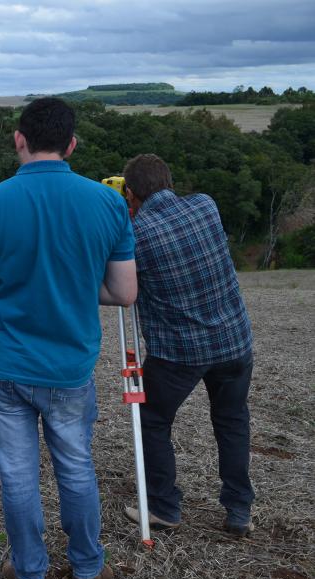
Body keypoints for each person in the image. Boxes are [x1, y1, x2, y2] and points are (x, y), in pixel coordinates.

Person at [0, 97, 137, 579]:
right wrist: (76, 284)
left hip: (5, 366)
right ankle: (87, 569)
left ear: (19, 139)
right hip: (68, 368)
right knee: (75, 468)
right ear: (72, 144)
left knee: (17, 474)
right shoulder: (108, 203)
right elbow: (123, 292)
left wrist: (8, 284)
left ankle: (29, 576)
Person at [121, 154, 255, 537]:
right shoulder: (205, 206)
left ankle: (164, 507)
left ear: (130, 192)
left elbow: (123, 285)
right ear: (169, 181)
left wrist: (123, 216)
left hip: (179, 352)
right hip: (234, 341)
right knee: (232, 421)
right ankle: (239, 508)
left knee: (151, 420)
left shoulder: (136, 234)